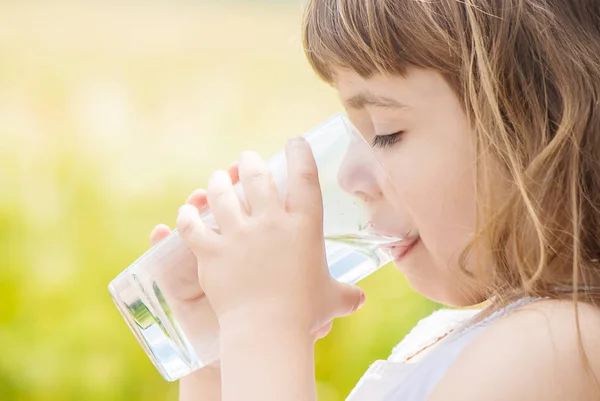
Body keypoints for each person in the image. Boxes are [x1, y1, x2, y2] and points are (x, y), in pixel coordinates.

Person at [149, 0, 600, 400]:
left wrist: (263, 323)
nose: (348, 177)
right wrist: (225, 355)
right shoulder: (466, 336)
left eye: (386, 132)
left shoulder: (559, 347)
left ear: (540, 125)